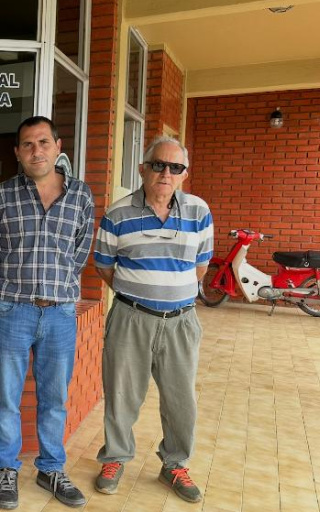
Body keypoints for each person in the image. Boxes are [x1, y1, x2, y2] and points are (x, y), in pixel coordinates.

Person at [92, 136, 213, 503]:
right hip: (131, 319)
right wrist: (137, 294)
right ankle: (114, 457)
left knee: (181, 400)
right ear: (143, 169)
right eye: (158, 164)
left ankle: (174, 463)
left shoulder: (198, 211)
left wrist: (170, 292)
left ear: (184, 174)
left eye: (175, 167)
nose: (165, 173)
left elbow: (201, 265)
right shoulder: (118, 213)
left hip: (180, 321)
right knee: (121, 396)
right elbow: (104, 265)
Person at [0, 116, 94, 509]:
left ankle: (50, 468)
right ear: (17, 153)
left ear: (58, 146)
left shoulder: (81, 196)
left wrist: (59, 287)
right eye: (27, 144)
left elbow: (80, 252)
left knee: (54, 399)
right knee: (7, 398)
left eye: (43, 142)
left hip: (61, 313)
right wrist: (8, 291)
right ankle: (7, 470)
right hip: (11, 311)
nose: (36, 150)